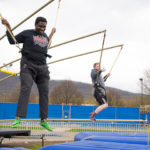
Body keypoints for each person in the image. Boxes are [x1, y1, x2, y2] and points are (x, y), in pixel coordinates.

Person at [1, 16, 56, 131]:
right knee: (26, 88)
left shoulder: (45, 36)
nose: (42, 28)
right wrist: (8, 26)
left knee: (45, 92)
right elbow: (12, 40)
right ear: (35, 25)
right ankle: (18, 118)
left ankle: (43, 120)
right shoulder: (27, 33)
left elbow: (46, 45)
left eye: (44, 27)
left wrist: (51, 33)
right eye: (40, 26)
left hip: (43, 67)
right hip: (28, 65)